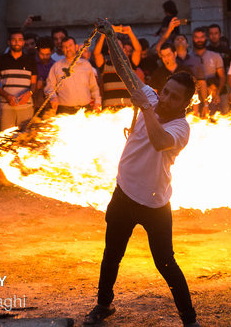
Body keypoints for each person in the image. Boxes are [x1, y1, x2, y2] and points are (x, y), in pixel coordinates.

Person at [85, 71, 199, 327]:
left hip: (155, 204)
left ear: (185, 104)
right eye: (165, 91)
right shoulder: (151, 97)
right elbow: (123, 68)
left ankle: (190, 320)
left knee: (166, 262)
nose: (166, 98)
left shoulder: (181, 128)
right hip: (123, 194)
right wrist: (110, 36)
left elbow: (159, 141)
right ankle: (103, 305)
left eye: (174, 97)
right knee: (112, 254)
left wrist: (146, 107)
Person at [0, 30, 38, 130]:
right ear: (9, 42)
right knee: (6, 139)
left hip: (26, 106)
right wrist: (7, 96)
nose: (17, 42)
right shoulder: (1, 59)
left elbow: (34, 83)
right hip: (6, 107)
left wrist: (29, 94)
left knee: (26, 138)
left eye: (20, 40)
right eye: (14, 40)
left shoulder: (30, 60)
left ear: (23, 43)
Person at [45, 37, 101, 115]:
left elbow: (94, 87)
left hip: (85, 110)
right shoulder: (56, 67)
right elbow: (49, 87)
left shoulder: (86, 65)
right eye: (65, 47)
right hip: (65, 111)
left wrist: (97, 102)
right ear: (62, 49)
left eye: (70, 45)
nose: (68, 49)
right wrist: (53, 97)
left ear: (76, 47)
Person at [192, 27, 226, 114]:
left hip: (213, 94)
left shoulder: (215, 56)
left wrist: (218, 93)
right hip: (195, 97)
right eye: (196, 37)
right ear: (192, 38)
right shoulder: (188, 57)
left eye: (202, 37)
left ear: (206, 38)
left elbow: (222, 76)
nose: (199, 40)